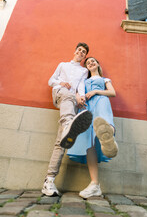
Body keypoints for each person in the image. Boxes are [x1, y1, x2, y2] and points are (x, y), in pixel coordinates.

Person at [42, 43, 93, 196]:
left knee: (61, 143)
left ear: (84, 56)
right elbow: (51, 80)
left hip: (71, 105)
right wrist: (61, 83)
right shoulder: (63, 65)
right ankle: (68, 125)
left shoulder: (84, 71)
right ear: (75, 51)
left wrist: (82, 97)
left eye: (84, 52)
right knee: (68, 94)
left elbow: (81, 87)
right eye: (79, 50)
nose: (81, 52)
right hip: (60, 93)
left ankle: (49, 181)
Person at [67, 57, 118, 198]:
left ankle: (110, 142)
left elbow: (112, 93)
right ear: (87, 67)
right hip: (87, 107)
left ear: (98, 64)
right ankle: (95, 184)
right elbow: (77, 90)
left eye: (93, 61)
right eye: (88, 62)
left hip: (101, 101)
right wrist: (78, 97)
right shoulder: (83, 80)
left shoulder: (104, 79)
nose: (90, 62)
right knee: (88, 144)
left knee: (104, 122)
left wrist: (96, 92)